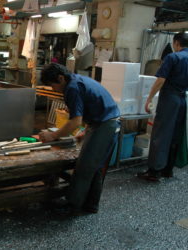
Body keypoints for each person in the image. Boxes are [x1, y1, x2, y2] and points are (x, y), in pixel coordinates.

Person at [39, 63, 120, 215]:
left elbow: (75, 120)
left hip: (105, 124)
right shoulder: (77, 80)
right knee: (93, 166)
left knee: (84, 166)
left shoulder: (72, 88)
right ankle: (91, 205)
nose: (54, 89)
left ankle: (73, 205)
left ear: (61, 78)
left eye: (52, 85)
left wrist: (53, 135)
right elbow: (87, 110)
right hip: (103, 122)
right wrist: (86, 129)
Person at [137, 32, 188, 182]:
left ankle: (154, 171)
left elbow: (160, 80)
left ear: (177, 43)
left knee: (161, 134)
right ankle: (168, 170)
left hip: (170, 98)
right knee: (175, 135)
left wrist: (149, 98)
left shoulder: (173, 57)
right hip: (182, 99)